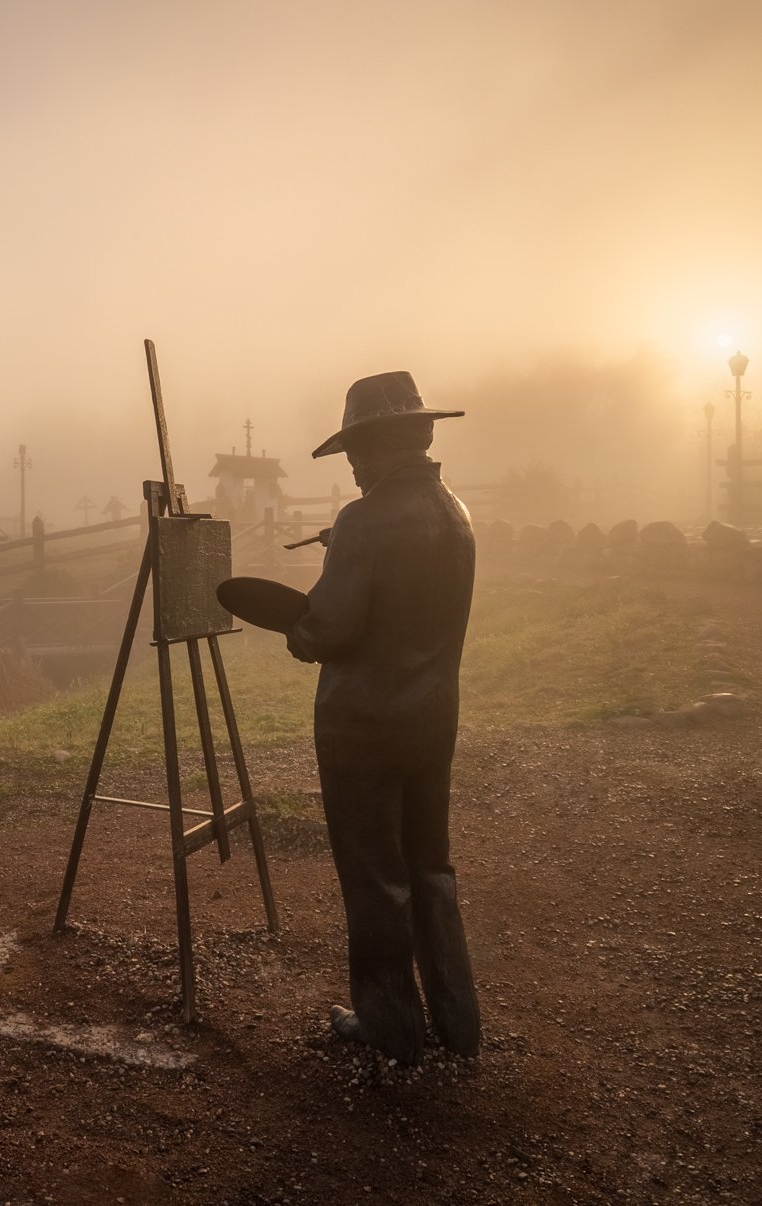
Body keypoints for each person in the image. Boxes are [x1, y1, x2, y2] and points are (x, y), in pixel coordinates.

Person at [285, 370, 481, 1065]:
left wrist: (298, 630)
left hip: (363, 729)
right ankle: (459, 1023)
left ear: (382, 443)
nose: (355, 467)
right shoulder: (456, 511)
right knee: (432, 866)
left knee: (374, 877)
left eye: (357, 452)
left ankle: (392, 1025)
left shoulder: (362, 522)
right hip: (434, 720)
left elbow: (329, 630)